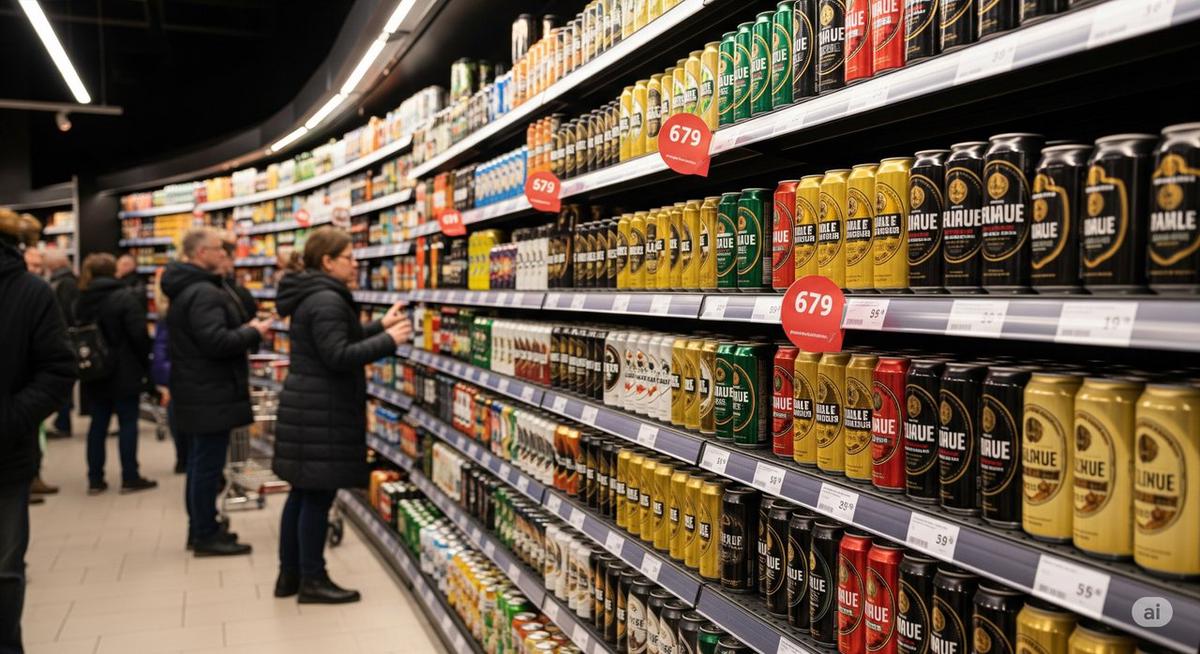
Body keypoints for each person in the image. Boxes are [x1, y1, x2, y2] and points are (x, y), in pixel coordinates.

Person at [271, 227, 411, 603]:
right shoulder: (328, 300)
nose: (356, 263)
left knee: (301, 494)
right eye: (349, 257)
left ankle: (289, 576)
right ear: (328, 261)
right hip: (323, 409)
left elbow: (334, 339)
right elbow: (338, 355)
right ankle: (313, 581)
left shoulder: (313, 295)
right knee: (317, 498)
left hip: (308, 405)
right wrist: (388, 342)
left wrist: (379, 325)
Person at [162, 227, 271, 557]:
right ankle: (206, 534)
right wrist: (252, 333)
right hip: (210, 391)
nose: (224, 253)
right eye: (218, 249)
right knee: (206, 466)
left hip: (198, 389)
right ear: (200, 254)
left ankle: (201, 528)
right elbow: (216, 342)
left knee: (200, 464)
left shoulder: (195, 287)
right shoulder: (203, 293)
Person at [0, 208, 74, 653]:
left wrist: (9, 418)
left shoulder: (28, 292)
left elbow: (57, 370)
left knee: (4, 571)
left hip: (5, 458)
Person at [75, 253, 157, 495]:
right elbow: (139, 335)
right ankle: (130, 476)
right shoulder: (124, 297)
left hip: (95, 370)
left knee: (97, 424)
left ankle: (95, 479)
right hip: (125, 369)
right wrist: (145, 364)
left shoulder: (82, 299)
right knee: (128, 422)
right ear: (115, 271)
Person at [150, 268, 186, 473]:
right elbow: (162, 347)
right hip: (180, 371)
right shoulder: (173, 312)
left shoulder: (166, 310)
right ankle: (183, 456)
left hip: (176, 370)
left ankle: (182, 456)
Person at [45, 250, 78, 440]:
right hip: (63, 338)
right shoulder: (67, 280)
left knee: (64, 381)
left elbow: (67, 314)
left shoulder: (64, 283)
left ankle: (63, 422)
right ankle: (61, 420)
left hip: (63, 339)